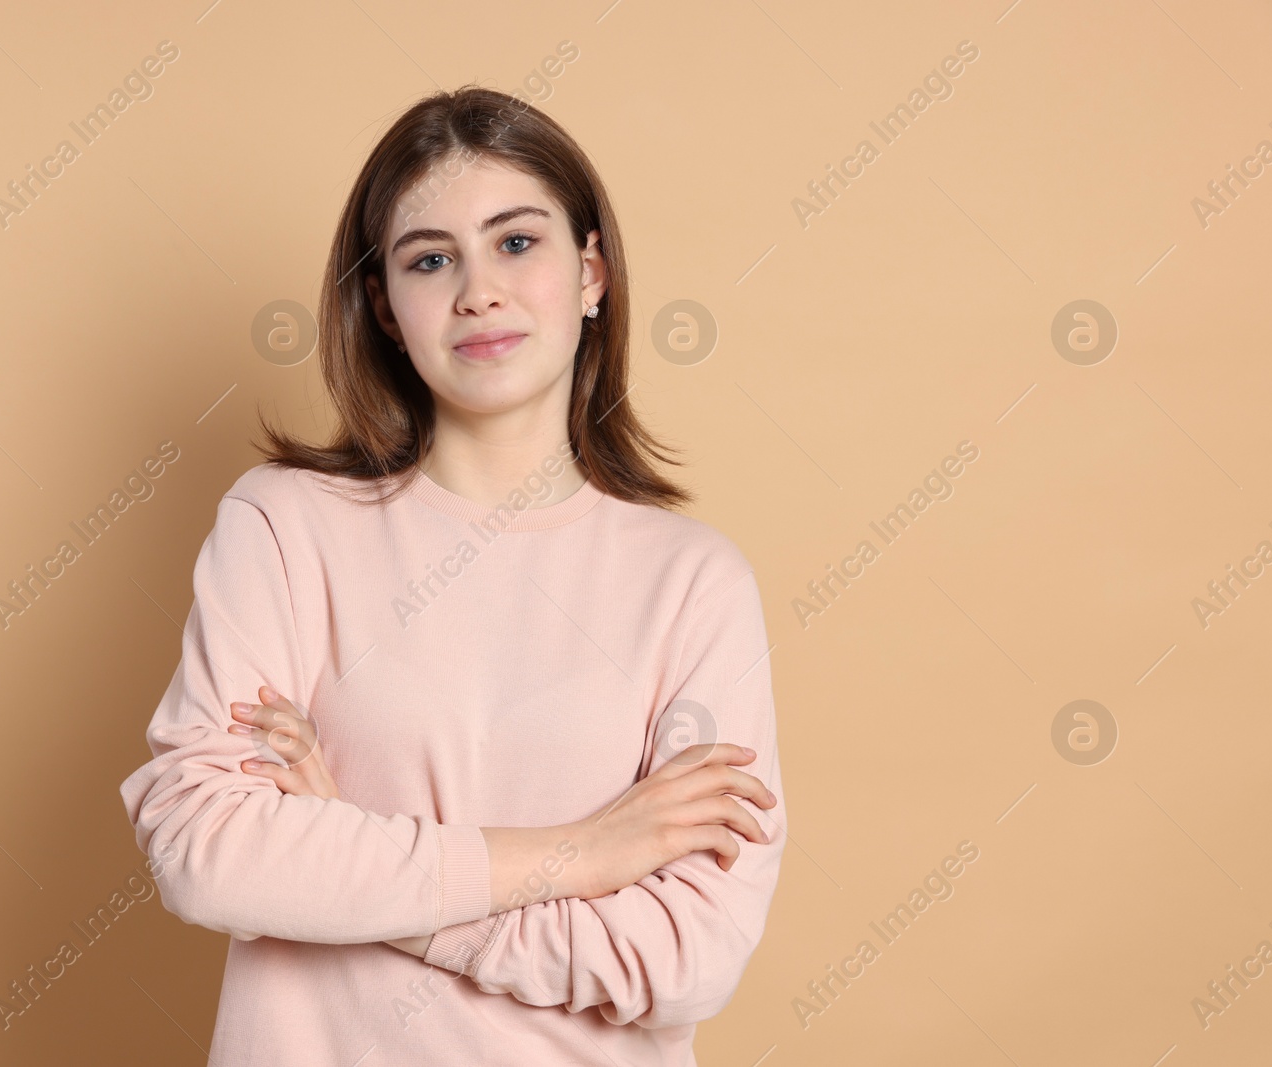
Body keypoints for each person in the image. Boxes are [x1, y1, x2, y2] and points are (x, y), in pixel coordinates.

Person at [118, 84, 786, 1066]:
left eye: (517, 242)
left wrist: (355, 860)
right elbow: (205, 851)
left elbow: (687, 959)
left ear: (591, 271)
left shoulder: (693, 582)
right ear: (385, 307)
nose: (478, 289)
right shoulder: (284, 525)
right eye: (431, 259)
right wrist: (581, 852)